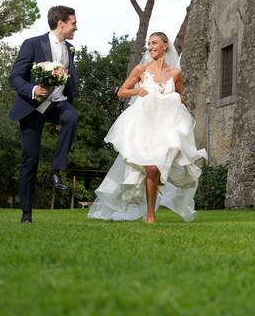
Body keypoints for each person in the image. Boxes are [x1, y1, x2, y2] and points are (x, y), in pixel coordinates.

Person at [88, 31, 207, 224]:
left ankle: (158, 188)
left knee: (161, 164)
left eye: (154, 43)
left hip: (168, 126)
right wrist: (139, 91)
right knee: (151, 169)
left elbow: (181, 95)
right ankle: (150, 214)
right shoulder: (141, 70)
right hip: (144, 125)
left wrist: (180, 99)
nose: (151, 47)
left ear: (165, 45)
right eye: (149, 44)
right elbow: (121, 92)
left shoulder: (176, 73)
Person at [8, 5, 79, 224]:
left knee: (72, 118)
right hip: (33, 107)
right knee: (30, 159)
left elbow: (69, 84)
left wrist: (62, 121)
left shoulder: (70, 49)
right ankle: (26, 214)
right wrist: (33, 89)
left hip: (57, 104)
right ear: (61, 24)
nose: (76, 28)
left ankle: (56, 170)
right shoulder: (32, 44)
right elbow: (15, 77)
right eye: (73, 23)